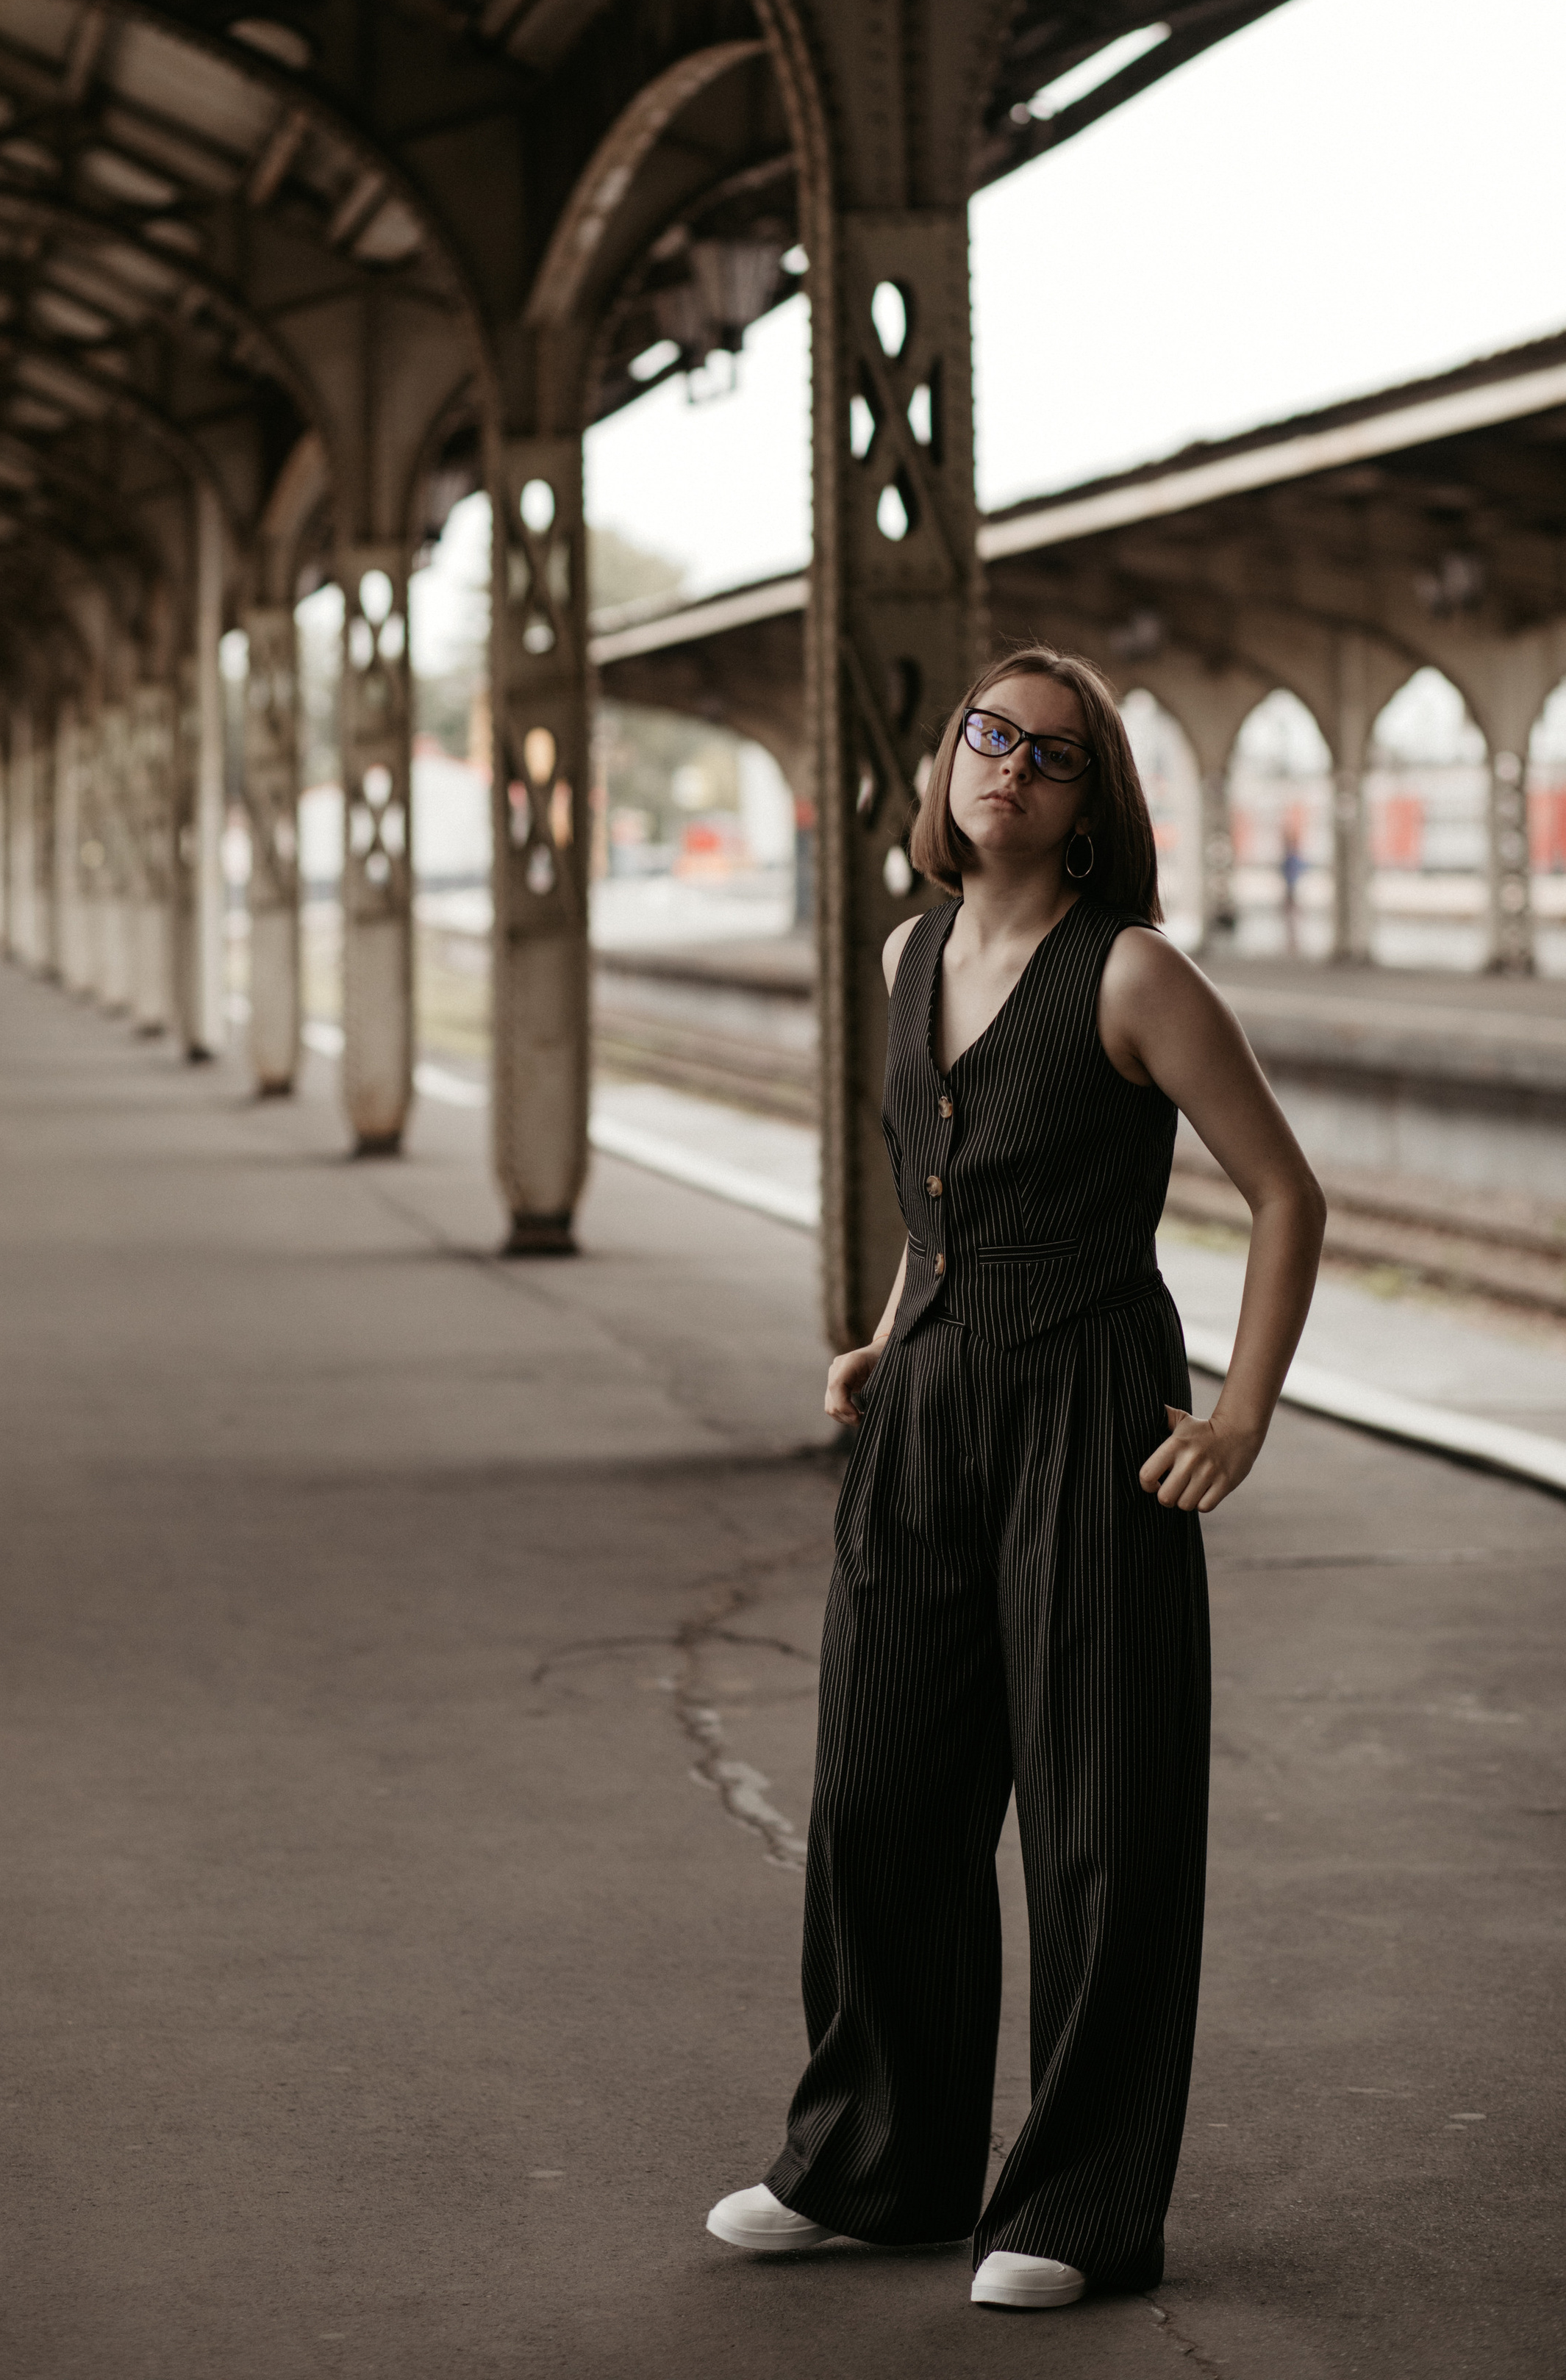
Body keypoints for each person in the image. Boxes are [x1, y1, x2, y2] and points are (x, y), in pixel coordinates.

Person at [705, 646, 1325, 2309]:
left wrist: (1241, 1415)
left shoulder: (1131, 975)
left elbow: (1285, 1193)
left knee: (1097, 1820)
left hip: (1088, 1410)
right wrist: (885, 1336)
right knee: (878, 1796)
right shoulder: (906, 953)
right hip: (926, 1411)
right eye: (990, 736)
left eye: (1052, 754)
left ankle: (1077, 2207)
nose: (1011, 768)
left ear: (1090, 801)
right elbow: (940, 1196)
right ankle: (877, 2165)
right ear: (948, 763)